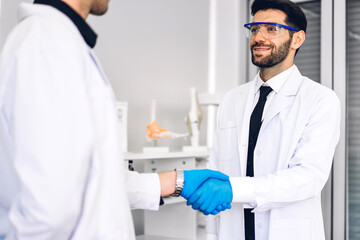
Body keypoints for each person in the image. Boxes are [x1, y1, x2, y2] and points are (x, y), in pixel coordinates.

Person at [0, 0, 232, 239]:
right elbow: (48, 209)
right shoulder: (47, 46)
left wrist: (178, 182)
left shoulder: (59, 42)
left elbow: (95, 178)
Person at [186, 0, 341, 239]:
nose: (259, 37)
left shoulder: (320, 100)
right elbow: (218, 167)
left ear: (297, 39)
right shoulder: (232, 100)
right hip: (233, 230)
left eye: (271, 29)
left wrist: (234, 190)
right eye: (255, 29)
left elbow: (308, 177)